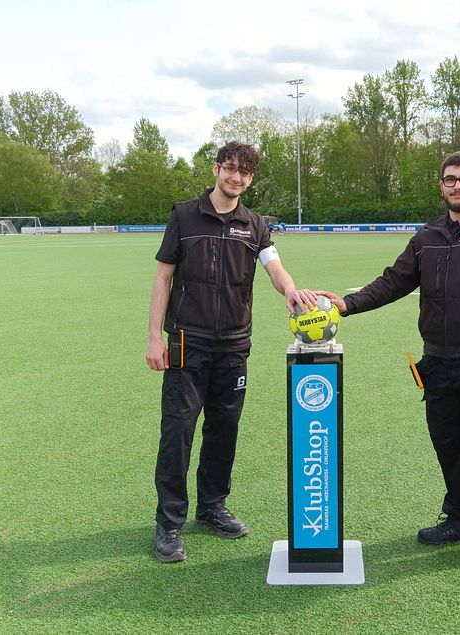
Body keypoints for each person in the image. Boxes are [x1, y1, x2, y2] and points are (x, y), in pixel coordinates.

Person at [317, 151, 460, 573]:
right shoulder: (427, 237)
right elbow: (393, 281)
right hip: (438, 365)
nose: (458, 186)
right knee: (449, 449)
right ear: (442, 186)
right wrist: (346, 305)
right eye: (450, 179)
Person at [146, 141, 316, 563]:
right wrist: (154, 336)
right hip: (187, 342)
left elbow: (275, 269)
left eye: (244, 172)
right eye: (230, 169)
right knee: (178, 431)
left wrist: (291, 290)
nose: (235, 177)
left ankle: (212, 507)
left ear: (250, 179)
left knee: (224, 428)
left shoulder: (256, 225)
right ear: (216, 168)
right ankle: (169, 522)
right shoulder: (184, 216)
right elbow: (163, 278)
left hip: (234, 345)